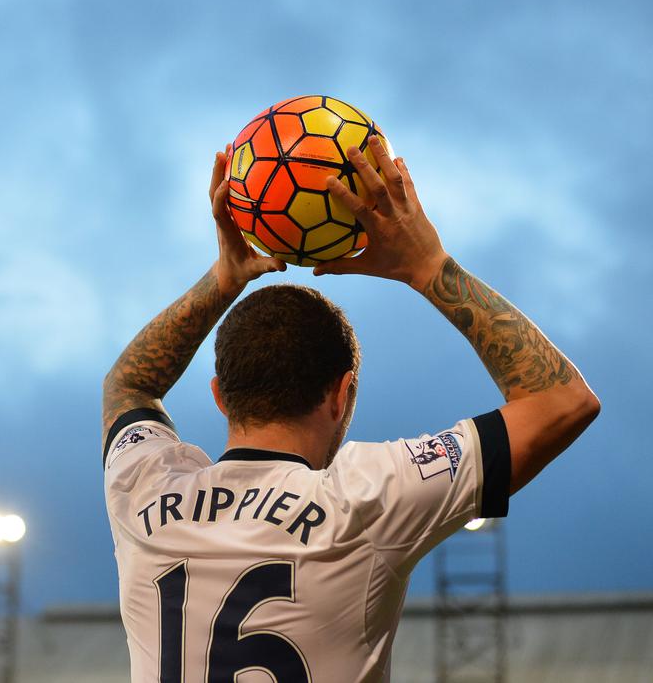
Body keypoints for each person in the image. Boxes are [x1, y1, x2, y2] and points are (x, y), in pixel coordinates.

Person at [101, 135, 600, 682]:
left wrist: (224, 277)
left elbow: (129, 385)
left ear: (219, 395)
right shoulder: (367, 499)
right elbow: (563, 401)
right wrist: (427, 265)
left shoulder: (146, 493)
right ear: (341, 395)